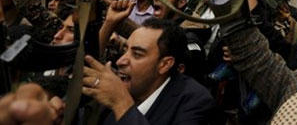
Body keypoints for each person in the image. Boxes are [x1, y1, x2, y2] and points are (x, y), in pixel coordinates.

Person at [82, 18, 217, 125]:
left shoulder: (195, 102)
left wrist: (122, 104)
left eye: (137, 54)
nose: (121, 61)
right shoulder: (114, 92)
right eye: (125, 50)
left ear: (164, 64)